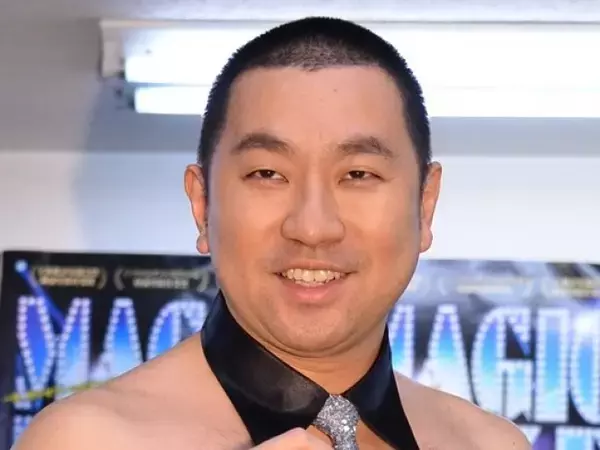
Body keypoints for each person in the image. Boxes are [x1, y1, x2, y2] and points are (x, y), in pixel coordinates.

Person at [14, 17, 531, 450]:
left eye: (358, 174)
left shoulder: (490, 444)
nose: (312, 227)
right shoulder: (85, 440)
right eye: (267, 174)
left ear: (424, 205)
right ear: (202, 204)